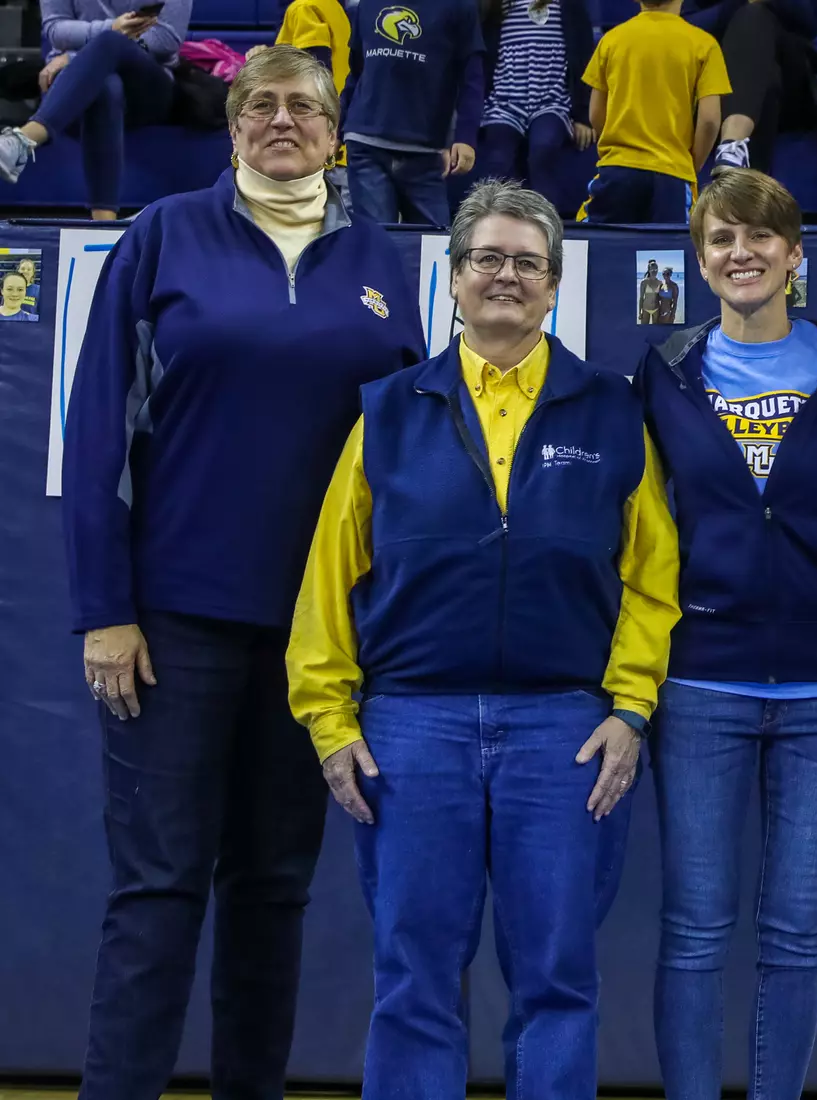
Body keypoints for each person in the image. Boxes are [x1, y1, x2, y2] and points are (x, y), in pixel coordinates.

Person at [59, 46, 425, 1100]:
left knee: (272, 891)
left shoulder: (380, 257)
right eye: (258, 103)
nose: (280, 119)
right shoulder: (164, 234)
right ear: (231, 127)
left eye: (302, 106)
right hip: (172, 627)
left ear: (334, 133)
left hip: (319, 636)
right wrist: (104, 611)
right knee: (159, 889)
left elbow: (405, 450)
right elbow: (95, 436)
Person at [287, 178, 680, 1099]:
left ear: (553, 285)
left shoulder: (612, 411)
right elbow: (327, 580)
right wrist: (329, 720)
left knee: (557, 982)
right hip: (411, 733)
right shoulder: (386, 412)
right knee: (415, 981)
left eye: (527, 263)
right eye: (487, 259)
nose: (506, 276)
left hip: (565, 734)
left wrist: (630, 707)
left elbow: (652, 578)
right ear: (454, 279)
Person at [634, 167, 817, 1100]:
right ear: (700, 261)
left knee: (796, 931)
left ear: (792, 254)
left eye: (759, 238)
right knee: (696, 927)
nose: (742, 254)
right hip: (700, 683)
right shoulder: (664, 375)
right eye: (721, 241)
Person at [0, 0, 194, 220]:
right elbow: (56, 29)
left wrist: (78, 55)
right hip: (75, 88)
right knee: (106, 85)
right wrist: (109, 29)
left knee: (110, 42)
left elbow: (165, 40)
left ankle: (24, 139)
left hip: (148, 89)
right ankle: (103, 223)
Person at [577, 0, 730, 224]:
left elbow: (595, 114)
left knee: (597, 245)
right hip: (672, 173)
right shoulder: (704, 44)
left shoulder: (611, 40)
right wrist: (691, 164)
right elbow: (709, 120)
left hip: (618, 169)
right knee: (671, 251)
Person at [339, 0, 483, 225]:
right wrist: (336, 128)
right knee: (378, 244)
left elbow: (472, 79)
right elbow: (356, 74)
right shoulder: (366, 4)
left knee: (435, 245)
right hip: (366, 144)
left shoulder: (460, 6)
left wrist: (466, 137)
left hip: (425, 152)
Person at [476, 0, 596, 215]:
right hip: (505, 101)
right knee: (498, 158)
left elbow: (585, 56)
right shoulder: (496, 5)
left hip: (551, 100)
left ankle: (547, 226)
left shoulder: (567, 5)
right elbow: (482, 60)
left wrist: (582, 115)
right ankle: (500, 223)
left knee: (543, 148)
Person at [685, 0, 817, 174]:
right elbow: (677, 28)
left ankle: (733, 145)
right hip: (713, 85)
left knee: (754, 17)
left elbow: (811, 21)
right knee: (766, 80)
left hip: (791, 87)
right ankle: (736, 160)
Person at [248, 0, 352, 201]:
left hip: (323, 148)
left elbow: (313, 77)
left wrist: (262, 65)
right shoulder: (334, 7)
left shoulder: (304, 8)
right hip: (340, 144)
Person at [640, 257, 663, 322]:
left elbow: (661, 298)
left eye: (656, 269)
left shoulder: (660, 282)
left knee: (655, 330)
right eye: (652, 269)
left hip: (656, 309)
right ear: (649, 270)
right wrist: (640, 311)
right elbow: (641, 298)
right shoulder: (644, 282)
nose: (654, 271)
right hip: (645, 309)